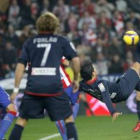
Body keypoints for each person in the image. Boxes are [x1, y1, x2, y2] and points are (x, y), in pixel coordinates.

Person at [9, 12, 80, 140]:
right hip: (54, 86)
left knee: (22, 120)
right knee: (68, 118)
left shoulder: (30, 42)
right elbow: (75, 60)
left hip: (34, 86)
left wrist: (15, 90)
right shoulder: (60, 40)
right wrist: (76, 79)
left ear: (38, 25)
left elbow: (20, 67)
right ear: (55, 26)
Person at [55, 57, 80, 140]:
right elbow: (67, 63)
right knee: (75, 102)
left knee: (59, 117)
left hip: (56, 88)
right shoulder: (56, 50)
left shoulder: (36, 54)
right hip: (65, 85)